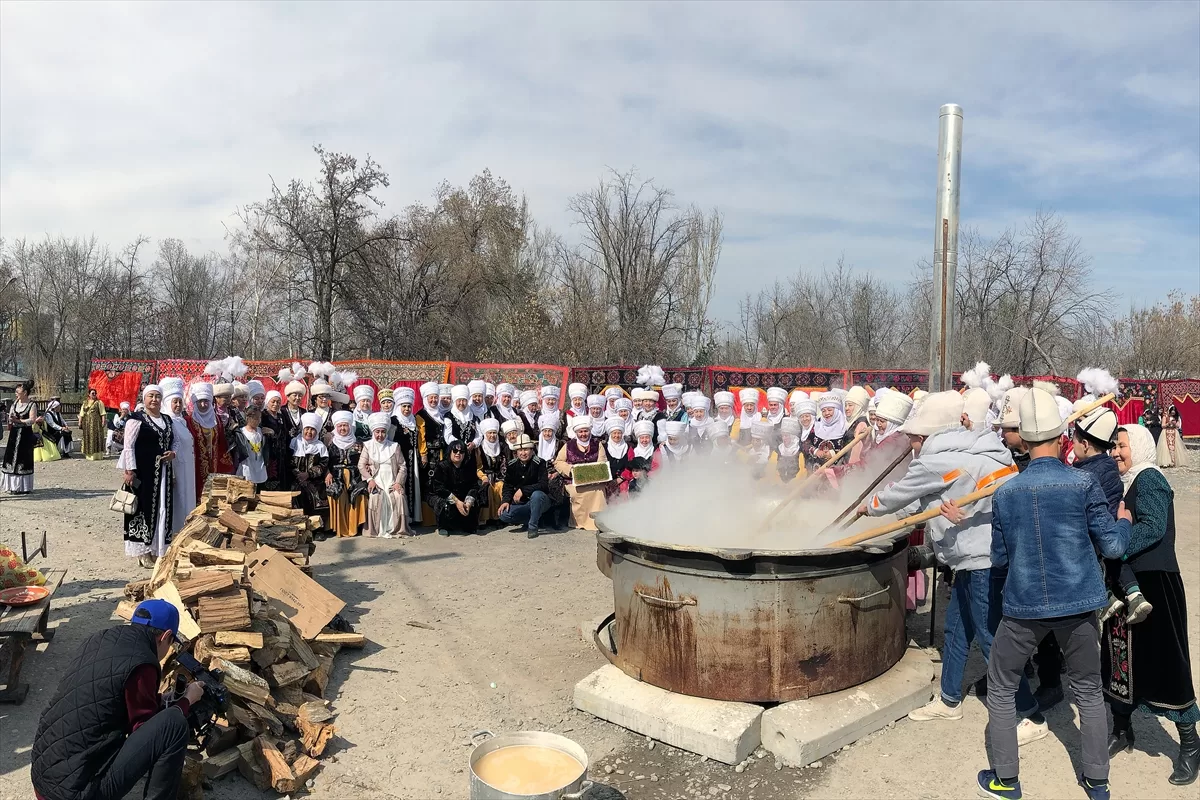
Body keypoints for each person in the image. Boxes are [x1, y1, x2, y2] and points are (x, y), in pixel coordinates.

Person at [856, 392, 1045, 741]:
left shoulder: (936, 461)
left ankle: (1029, 714)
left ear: (926, 435)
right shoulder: (981, 450)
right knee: (957, 629)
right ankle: (949, 699)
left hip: (981, 560)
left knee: (991, 640)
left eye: (913, 436)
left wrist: (866, 508)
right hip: (982, 556)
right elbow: (920, 506)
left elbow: (897, 497)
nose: (909, 442)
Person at [977, 387, 1132, 800]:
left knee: (1001, 684)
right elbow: (1114, 547)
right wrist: (1124, 521)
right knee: (1087, 690)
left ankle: (1006, 780)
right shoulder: (1083, 484)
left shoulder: (1006, 492)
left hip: (1024, 606)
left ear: (1023, 442)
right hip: (1080, 604)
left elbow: (998, 559)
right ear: (1063, 436)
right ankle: (1097, 782)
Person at [31, 599, 204, 800]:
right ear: (165, 636)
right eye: (172, 642)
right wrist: (186, 701)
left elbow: (106, 699)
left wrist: (161, 700)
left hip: (43, 779)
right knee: (174, 724)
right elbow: (145, 732)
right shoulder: (142, 663)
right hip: (76, 794)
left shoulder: (99, 639)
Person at [1105, 424, 1199, 785]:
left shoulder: (1151, 479)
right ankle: (1123, 729)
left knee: (1167, 663)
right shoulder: (1129, 482)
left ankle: (1190, 744)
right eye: (1114, 446)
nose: (1116, 452)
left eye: (1122, 446)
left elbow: (1155, 526)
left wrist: (1118, 546)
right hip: (1128, 586)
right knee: (1119, 660)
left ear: (1140, 447)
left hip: (1156, 585)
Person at [1034, 406, 1125, 713]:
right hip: (1082, 563)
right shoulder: (1105, 472)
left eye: (1075, 438)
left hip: (1071, 561)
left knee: (1051, 628)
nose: (1071, 443)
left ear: (1086, 444)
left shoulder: (1083, 477)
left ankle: (1052, 685)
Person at [119, 385, 176, 570]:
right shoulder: (136, 419)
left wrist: (172, 454)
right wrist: (130, 470)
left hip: (163, 473)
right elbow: (128, 446)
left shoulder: (167, 420)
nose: (154, 400)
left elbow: (174, 440)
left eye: (158, 396)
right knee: (142, 508)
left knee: (161, 508)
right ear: (144, 399)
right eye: (151, 396)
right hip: (143, 472)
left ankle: (155, 548)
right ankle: (142, 552)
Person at [358, 412, 412, 538]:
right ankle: (376, 530)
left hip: (392, 480)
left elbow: (402, 466)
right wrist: (370, 480)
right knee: (376, 498)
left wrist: (398, 483)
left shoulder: (394, 446)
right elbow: (361, 465)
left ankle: (398, 529)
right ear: (373, 432)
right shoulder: (368, 446)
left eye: (382, 432)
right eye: (377, 432)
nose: (380, 435)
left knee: (398, 496)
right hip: (376, 481)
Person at [554, 415, 609, 531]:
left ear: (590, 431)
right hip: (573, 481)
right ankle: (578, 522)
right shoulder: (568, 445)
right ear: (576, 433)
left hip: (594, 481)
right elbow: (558, 462)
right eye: (581, 432)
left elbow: (602, 462)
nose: (583, 434)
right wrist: (571, 470)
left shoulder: (597, 444)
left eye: (586, 431)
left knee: (599, 492)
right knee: (575, 493)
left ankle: (598, 522)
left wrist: (593, 473)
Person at [498, 435, 554, 538]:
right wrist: (505, 501)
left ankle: (532, 526)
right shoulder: (512, 465)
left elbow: (543, 485)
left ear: (532, 450)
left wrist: (523, 490)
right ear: (516, 452)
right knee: (504, 514)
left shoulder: (539, 463)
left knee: (536, 495)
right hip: (524, 503)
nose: (523, 453)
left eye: (526, 450)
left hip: (540, 500)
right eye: (520, 450)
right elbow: (508, 485)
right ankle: (532, 519)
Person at [160, 380, 196, 536]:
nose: (178, 405)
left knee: (187, 498)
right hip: (176, 469)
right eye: (175, 402)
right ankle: (176, 532)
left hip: (187, 467)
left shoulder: (182, 421)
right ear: (168, 403)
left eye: (180, 401)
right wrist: (172, 473)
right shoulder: (166, 422)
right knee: (178, 500)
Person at [187, 382, 232, 498]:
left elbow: (222, 443)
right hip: (195, 468)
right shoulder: (188, 421)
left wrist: (226, 466)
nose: (203, 404)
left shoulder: (216, 420)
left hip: (215, 466)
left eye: (206, 401)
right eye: (200, 401)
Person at [325, 410, 366, 538]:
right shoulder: (330, 442)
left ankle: (355, 527)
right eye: (340, 426)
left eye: (345, 425)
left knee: (360, 493)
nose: (343, 428)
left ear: (350, 426)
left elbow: (365, 459)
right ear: (336, 427)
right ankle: (340, 528)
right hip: (336, 475)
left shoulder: (358, 443)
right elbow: (324, 460)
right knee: (336, 493)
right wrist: (327, 473)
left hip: (355, 475)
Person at [430, 441, 482, 535]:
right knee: (444, 503)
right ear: (450, 451)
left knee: (475, 499)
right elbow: (438, 488)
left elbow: (474, 485)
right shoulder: (442, 466)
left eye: (461, 451)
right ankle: (443, 527)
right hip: (444, 495)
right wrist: (456, 501)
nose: (458, 453)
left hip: (462, 494)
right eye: (455, 451)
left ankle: (467, 525)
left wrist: (468, 501)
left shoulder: (468, 467)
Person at [390, 388, 423, 526]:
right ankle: (402, 518)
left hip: (413, 458)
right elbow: (390, 440)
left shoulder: (414, 420)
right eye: (404, 406)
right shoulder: (394, 421)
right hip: (399, 459)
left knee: (413, 486)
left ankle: (413, 516)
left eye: (409, 406)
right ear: (399, 406)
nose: (407, 409)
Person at [291, 412, 330, 526]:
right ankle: (298, 526)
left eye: (313, 429)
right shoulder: (294, 442)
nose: (309, 432)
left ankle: (317, 528)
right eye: (307, 429)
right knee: (295, 494)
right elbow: (289, 462)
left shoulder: (320, 446)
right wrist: (299, 475)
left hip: (314, 479)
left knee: (318, 494)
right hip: (296, 479)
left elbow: (323, 465)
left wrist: (308, 474)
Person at [2, 380, 39, 495]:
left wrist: (19, 420)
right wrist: (11, 419)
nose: (16, 394)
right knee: (11, 457)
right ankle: (12, 486)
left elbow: (32, 420)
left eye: (18, 392)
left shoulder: (31, 405)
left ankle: (24, 487)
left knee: (23, 458)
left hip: (25, 434)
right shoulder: (14, 404)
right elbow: (10, 419)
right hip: (14, 434)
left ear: (25, 393)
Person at [475, 418, 506, 525]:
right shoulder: (479, 448)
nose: (492, 435)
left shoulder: (501, 446)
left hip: (498, 476)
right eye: (489, 433)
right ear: (485, 434)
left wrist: (501, 477)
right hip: (483, 477)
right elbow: (478, 467)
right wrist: (484, 477)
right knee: (487, 488)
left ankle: (499, 517)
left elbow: (503, 465)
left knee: (501, 486)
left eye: (494, 433)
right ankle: (484, 519)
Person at [232, 407, 269, 488]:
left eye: (259, 418)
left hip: (260, 466)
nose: (258, 420)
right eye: (255, 418)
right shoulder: (241, 432)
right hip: (247, 466)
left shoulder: (261, 431)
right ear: (248, 418)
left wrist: (271, 433)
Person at [604, 418, 634, 495]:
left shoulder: (628, 448)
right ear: (610, 434)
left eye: (619, 433)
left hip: (623, 480)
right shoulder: (604, 447)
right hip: (607, 482)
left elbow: (631, 465)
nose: (617, 436)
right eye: (614, 433)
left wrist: (620, 479)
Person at [79, 388, 107, 460]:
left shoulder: (99, 402)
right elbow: (81, 413)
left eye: (95, 393)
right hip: (87, 423)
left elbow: (102, 413)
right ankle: (89, 455)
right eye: (92, 393)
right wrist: (80, 422)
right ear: (89, 394)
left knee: (96, 437)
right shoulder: (85, 402)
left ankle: (97, 455)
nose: (94, 394)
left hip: (96, 423)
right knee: (88, 437)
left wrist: (103, 421)